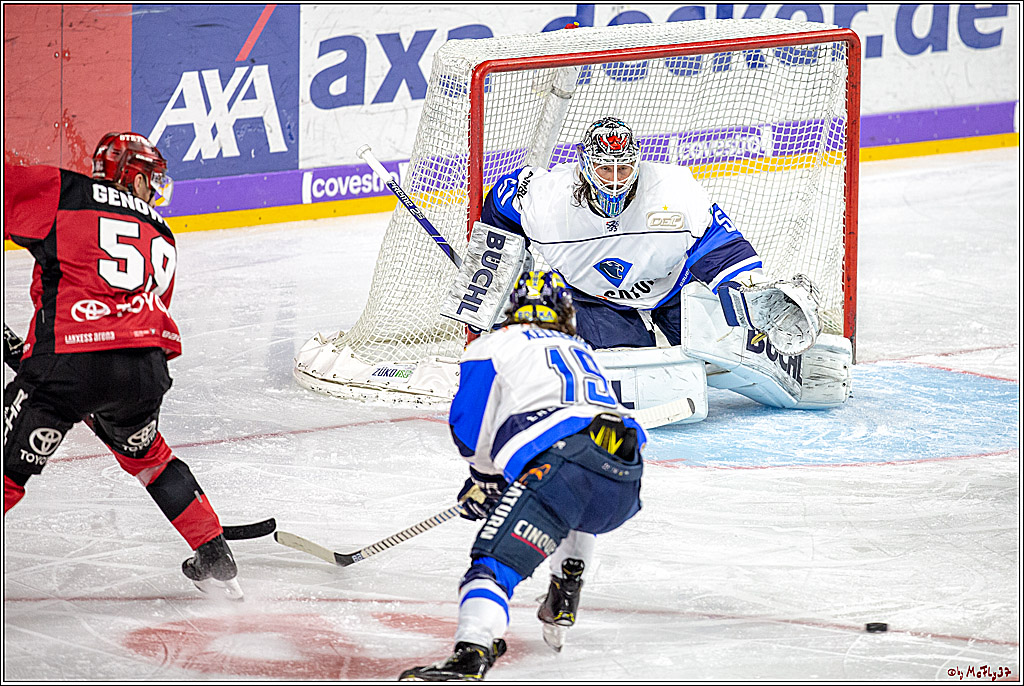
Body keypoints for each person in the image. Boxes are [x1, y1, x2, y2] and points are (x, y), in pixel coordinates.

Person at [3, 132, 242, 600]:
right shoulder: (162, 232)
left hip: (69, 367)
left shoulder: (64, 190)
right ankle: (212, 550)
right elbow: (129, 317)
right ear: (131, 174)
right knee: (149, 457)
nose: (155, 190)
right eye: (152, 179)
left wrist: (41, 364)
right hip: (144, 372)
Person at [399, 271, 646, 681]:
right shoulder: (581, 349)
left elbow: (469, 426)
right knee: (568, 503)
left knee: (493, 564)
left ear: (511, 309)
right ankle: (566, 589)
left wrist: (484, 478)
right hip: (624, 480)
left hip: (564, 467)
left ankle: (472, 652)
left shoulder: (493, 344)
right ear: (566, 312)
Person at [480, 115, 768, 350]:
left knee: (726, 349)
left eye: (625, 168)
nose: (616, 180)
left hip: (673, 288)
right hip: (597, 299)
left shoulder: (675, 189)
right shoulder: (548, 201)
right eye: (606, 168)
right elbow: (499, 201)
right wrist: (495, 279)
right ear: (585, 166)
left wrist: (756, 299)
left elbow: (722, 249)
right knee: (629, 367)